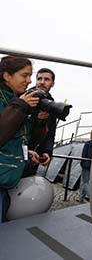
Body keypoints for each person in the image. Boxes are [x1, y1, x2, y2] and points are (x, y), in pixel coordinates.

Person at [0, 56, 40, 223]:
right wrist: (19, 107)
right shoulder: (15, 102)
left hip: (6, 181)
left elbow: (15, 136)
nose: (29, 81)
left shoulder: (14, 99)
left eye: (30, 76)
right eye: (24, 76)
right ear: (7, 76)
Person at [24, 68, 57, 176]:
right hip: (19, 154)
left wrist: (47, 152)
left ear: (53, 84)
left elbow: (51, 133)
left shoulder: (52, 106)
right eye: (39, 79)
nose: (42, 82)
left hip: (36, 157)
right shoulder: (25, 98)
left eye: (46, 79)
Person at [78, 129, 92, 202]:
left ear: (91, 134)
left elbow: (84, 154)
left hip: (86, 165)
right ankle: (81, 198)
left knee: (85, 182)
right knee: (85, 181)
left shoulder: (88, 144)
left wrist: (82, 163)